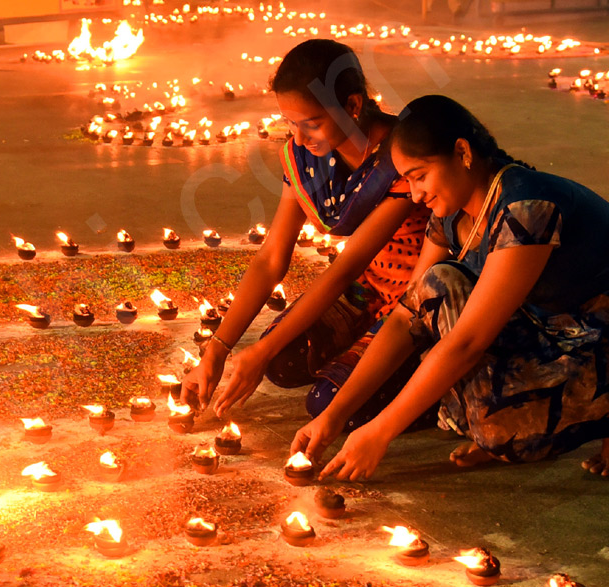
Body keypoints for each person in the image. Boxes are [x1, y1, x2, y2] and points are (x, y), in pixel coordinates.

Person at [292, 95, 609, 481]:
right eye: (408, 181)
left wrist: (379, 433)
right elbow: (406, 314)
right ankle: (537, 416)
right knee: (438, 287)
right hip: (555, 325)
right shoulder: (449, 215)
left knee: (503, 434)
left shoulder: (524, 207)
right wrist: (333, 417)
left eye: (420, 176)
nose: (415, 195)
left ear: (462, 152)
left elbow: (468, 343)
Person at [182, 40, 430, 431]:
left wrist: (260, 349)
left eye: (311, 123)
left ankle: (436, 384)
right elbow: (270, 260)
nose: (299, 138)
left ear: (352, 106)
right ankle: (369, 357)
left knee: (325, 402)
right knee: (283, 363)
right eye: (290, 124)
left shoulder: (400, 156)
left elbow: (347, 267)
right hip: (370, 290)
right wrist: (217, 349)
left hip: (414, 303)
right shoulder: (304, 157)